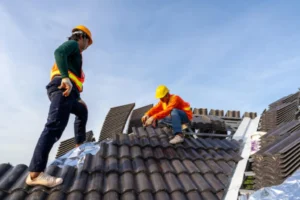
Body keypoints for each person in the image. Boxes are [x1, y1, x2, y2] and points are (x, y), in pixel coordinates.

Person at [25, 25, 93, 187]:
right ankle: (35, 174)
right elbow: (58, 53)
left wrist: (78, 97)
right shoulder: (73, 45)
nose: (87, 47)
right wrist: (65, 78)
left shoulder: (76, 55)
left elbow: (74, 78)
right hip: (62, 87)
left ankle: (79, 146)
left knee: (82, 111)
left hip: (71, 92)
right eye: (88, 43)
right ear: (82, 37)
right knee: (54, 126)